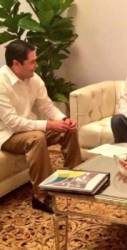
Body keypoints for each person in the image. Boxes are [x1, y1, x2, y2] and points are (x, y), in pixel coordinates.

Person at [0, 40, 82, 213]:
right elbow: (13, 123)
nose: (35, 66)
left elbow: (47, 106)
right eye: (32, 62)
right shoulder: (1, 83)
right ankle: (41, 196)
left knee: (69, 129)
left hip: (31, 128)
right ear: (15, 63)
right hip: (7, 134)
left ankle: (75, 180)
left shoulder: (33, 78)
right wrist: (47, 124)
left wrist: (64, 119)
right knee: (36, 138)